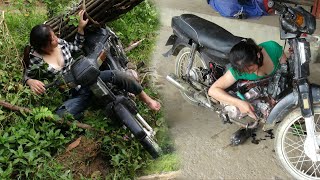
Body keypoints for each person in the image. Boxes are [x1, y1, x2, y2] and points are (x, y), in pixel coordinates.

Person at [23, 10, 160, 119]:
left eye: (54, 35)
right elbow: (26, 76)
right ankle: (89, 107)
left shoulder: (61, 44)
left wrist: (80, 29)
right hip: (74, 91)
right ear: (43, 47)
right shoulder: (36, 59)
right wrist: (30, 81)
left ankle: (147, 100)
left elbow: (76, 47)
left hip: (89, 76)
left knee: (120, 76)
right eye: (52, 38)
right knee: (60, 116)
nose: (56, 38)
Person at [208, 38, 287, 120]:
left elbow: (286, 68)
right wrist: (239, 103)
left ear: (258, 55)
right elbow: (213, 90)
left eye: (250, 67)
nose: (248, 72)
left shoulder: (272, 48)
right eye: (243, 70)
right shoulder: (238, 70)